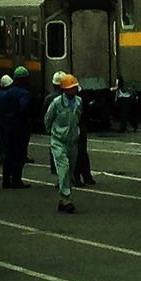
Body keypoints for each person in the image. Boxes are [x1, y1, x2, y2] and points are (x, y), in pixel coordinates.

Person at [44, 74, 83, 213]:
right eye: (70, 88)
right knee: (64, 168)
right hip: (58, 141)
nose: (73, 91)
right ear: (65, 90)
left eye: (74, 88)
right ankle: (66, 198)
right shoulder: (56, 103)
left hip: (72, 141)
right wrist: (52, 133)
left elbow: (78, 118)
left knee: (70, 170)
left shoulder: (79, 102)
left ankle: (62, 199)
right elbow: (48, 119)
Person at [0, 74, 29, 188]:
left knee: (9, 152)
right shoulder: (24, 93)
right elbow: (24, 108)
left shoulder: (3, 94)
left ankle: (6, 180)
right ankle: (17, 180)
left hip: (6, 125)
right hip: (19, 127)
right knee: (19, 153)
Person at [45, 72, 65, 176]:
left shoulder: (49, 98)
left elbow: (46, 115)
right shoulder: (70, 97)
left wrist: (48, 128)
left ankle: (55, 169)